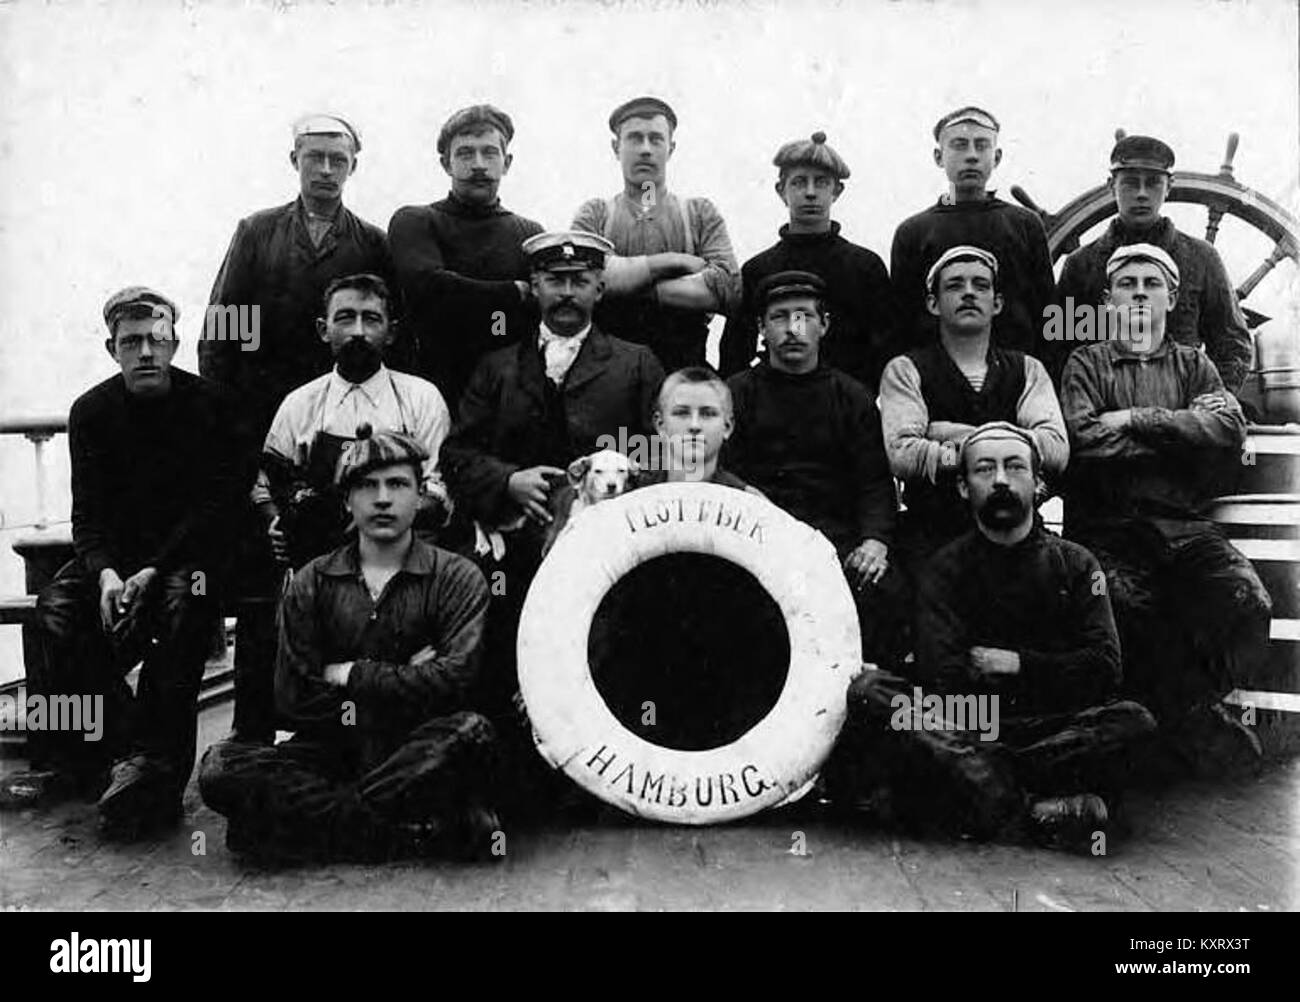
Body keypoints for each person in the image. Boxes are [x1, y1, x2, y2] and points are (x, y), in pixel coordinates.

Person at [825, 423, 1156, 852]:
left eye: (1014, 466)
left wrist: (1018, 664)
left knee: (1133, 721)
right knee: (873, 692)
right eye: (984, 469)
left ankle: (991, 793)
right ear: (963, 487)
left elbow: (1105, 668)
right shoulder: (943, 570)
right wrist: (1052, 673)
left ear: (1038, 483)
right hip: (968, 722)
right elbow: (942, 677)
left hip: (1048, 727)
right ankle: (1032, 812)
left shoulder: (1078, 566)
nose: (1000, 479)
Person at [3, 288, 248, 837]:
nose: (145, 352)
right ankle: (109, 754)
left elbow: (214, 510)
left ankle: (159, 773)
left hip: (193, 557)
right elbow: (86, 515)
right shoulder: (91, 412)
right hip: (118, 562)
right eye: (132, 341)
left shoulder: (212, 405)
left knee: (186, 608)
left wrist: (153, 570)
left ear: (175, 345)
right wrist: (107, 573)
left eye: (156, 340)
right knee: (57, 615)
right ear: (112, 348)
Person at [199, 431, 499, 863]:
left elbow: (458, 679)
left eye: (397, 485)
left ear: (419, 497)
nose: (382, 499)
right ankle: (397, 830)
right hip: (333, 749)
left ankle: (303, 828)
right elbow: (293, 698)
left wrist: (351, 673)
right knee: (220, 767)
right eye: (366, 486)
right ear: (347, 501)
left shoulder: (457, 577)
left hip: (416, 745)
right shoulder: (312, 581)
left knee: (470, 733)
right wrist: (405, 676)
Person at [440, 230, 664, 796]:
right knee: (507, 650)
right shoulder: (495, 366)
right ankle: (515, 780)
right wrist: (506, 481)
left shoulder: (636, 364)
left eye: (580, 282)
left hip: (614, 553)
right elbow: (457, 454)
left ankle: (608, 778)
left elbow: (664, 455)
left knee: (610, 650)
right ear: (535, 287)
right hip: (517, 548)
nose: (567, 292)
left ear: (599, 289)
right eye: (555, 281)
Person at [1060, 243, 1272, 775]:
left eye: (1150, 285)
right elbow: (1082, 438)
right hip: (1110, 528)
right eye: (1127, 285)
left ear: (1172, 297)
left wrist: (1134, 418)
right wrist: (1180, 437)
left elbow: (1227, 427)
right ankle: (1167, 727)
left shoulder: (1195, 366)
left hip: (1185, 528)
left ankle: (1187, 713)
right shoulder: (1085, 363)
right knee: (1128, 610)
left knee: (1246, 601)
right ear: (1108, 298)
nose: (1138, 294)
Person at [232, 273, 454, 743]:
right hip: (317, 557)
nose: (357, 331)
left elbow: (437, 489)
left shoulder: (419, 398)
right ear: (322, 329)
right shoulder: (300, 405)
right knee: (263, 605)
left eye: (370, 319)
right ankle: (264, 734)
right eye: (345, 318)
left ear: (390, 331)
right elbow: (265, 479)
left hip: (401, 551)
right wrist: (276, 522)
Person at [723, 270, 900, 664]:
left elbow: (875, 483)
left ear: (824, 325)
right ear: (762, 329)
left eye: (804, 316)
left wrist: (875, 541)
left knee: (883, 590)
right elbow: (718, 472)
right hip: (754, 537)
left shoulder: (852, 397)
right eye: (780, 317)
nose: (792, 329)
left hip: (835, 542)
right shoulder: (736, 393)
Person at [201, 113, 397, 437]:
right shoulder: (258, 232)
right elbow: (227, 321)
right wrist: (223, 400)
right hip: (260, 403)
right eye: (314, 158)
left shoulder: (372, 243)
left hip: (343, 405)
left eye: (337, 160)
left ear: (353, 167)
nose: (325, 169)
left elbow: (388, 330)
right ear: (295, 160)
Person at [879, 245, 1068, 579]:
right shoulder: (905, 370)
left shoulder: (1029, 370)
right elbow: (904, 455)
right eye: (954, 285)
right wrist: (1006, 446)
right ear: (933, 303)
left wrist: (944, 438)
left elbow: (1055, 448)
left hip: (1017, 532)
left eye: (980, 285)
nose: (968, 293)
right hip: (932, 534)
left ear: (997, 303)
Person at [1053, 134, 1252, 391]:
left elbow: (1232, 344)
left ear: (1169, 186)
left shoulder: (1203, 259)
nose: (1142, 194)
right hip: (1106, 412)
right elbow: (1058, 347)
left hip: (1183, 413)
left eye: (1153, 183)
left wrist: (1210, 402)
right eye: (1130, 183)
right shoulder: (1080, 265)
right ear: (1110, 185)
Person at [389, 105, 544, 409]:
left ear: (507, 162)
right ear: (446, 163)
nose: (478, 165)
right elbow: (428, 287)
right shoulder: (416, 221)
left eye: (489, 153)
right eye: (465, 154)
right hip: (429, 387)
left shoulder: (529, 233)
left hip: (507, 392)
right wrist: (512, 292)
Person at [572, 96, 740, 372]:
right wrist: (674, 262)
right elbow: (582, 280)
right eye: (635, 139)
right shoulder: (596, 214)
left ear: (671, 148)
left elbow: (727, 288)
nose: (646, 150)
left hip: (683, 366)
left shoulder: (698, 213)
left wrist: (625, 285)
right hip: (607, 371)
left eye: (656, 139)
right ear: (616, 147)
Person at [719, 132, 896, 389]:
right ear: (781, 191)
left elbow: (885, 349)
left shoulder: (864, 266)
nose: (810, 193)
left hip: (844, 410)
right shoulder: (759, 269)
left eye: (821, 182)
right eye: (800, 182)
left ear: (837, 191)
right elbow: (735, 352)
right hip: (771, 404)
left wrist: (855, 398)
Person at [890, 107, 1054, 357]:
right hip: (937, 380)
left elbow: (1046, 313)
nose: (971, 156)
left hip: (1017, 376)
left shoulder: (1025, 225)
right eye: (959, 145)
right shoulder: (914, 232)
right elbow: (902, 324)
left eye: (981, 146)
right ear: (938, 156)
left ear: (996, 157)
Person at [636, 366, 758, 491]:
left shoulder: (748, 504)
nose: (694, 425)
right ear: (660, 424)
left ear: (727, 427)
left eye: (708, 414)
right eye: (681, 413)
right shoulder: (629, 496)